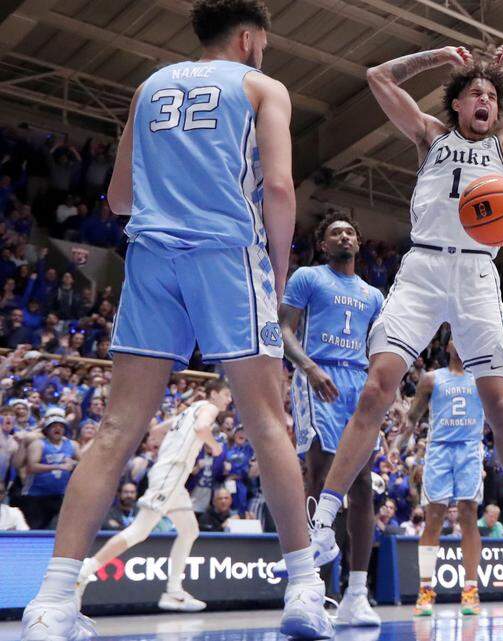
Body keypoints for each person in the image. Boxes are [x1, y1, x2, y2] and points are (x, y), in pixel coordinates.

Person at [19, 2, 332, 638]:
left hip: (152, 259)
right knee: (267, 421)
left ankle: (51, 603)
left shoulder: (151, 85)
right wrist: (275, 270)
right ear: (249, 38)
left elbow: (118, 197)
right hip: (223, 256)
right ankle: (303, 587)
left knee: (113, 430)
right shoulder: (261, 86)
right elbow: (278, 187)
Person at [302, 42, 503, 577]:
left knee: (501, 406)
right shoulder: (431, 136)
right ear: (456, 104)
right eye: (475, 92)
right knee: (377, 388)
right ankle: (322, 524)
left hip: (476, 273)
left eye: (493, 95)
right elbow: (378, 73)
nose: (485, 100)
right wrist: (433, 58)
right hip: (425, 269)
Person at [272, 211, 384, 627]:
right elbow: (282, 329)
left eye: (350, 232)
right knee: (318, 474)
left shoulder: (374, 295)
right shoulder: (308, 277)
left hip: (358, 382)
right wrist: (308, 368)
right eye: (335, 232)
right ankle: (311, 588)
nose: (344, 236)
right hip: (318, 375)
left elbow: (379, 348)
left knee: (363, 486)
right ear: (324, 244)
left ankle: (357, 593)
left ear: (358, 243)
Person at [76, 381, 230, 612]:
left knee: (190, 531)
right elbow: (201, 429)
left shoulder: (187, 410)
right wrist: (214, 447)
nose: (229, 399)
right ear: (214, 393)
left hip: (173, 477)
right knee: (140, 530)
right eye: (227, 394)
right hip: (171, 473)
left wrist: (168, 449)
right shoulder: (209, 408)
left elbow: (156, 431)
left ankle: (174, 592)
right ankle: (85, 571)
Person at [399, 340, 487, 617]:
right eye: (456, 337)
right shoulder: (431, 378)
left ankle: (470, 590)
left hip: (470, 449)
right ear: (448, 345)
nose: (461, 341)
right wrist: (396, 445)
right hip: (439, 450)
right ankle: (426, 590)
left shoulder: (483, 378)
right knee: (433, 517)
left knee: (468, 515)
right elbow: (412, 417)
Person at [20, 410, 77, 530]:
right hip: (36, 495)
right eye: (54, 426)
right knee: (36, 529)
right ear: (47, 429)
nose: (57, 429)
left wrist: (73, 463)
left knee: (61, 529)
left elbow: (83, 464)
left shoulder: (72, 445)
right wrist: (58, 466)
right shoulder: (38, 444)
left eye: (61, 426)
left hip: (60, 495)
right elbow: (32, 467)